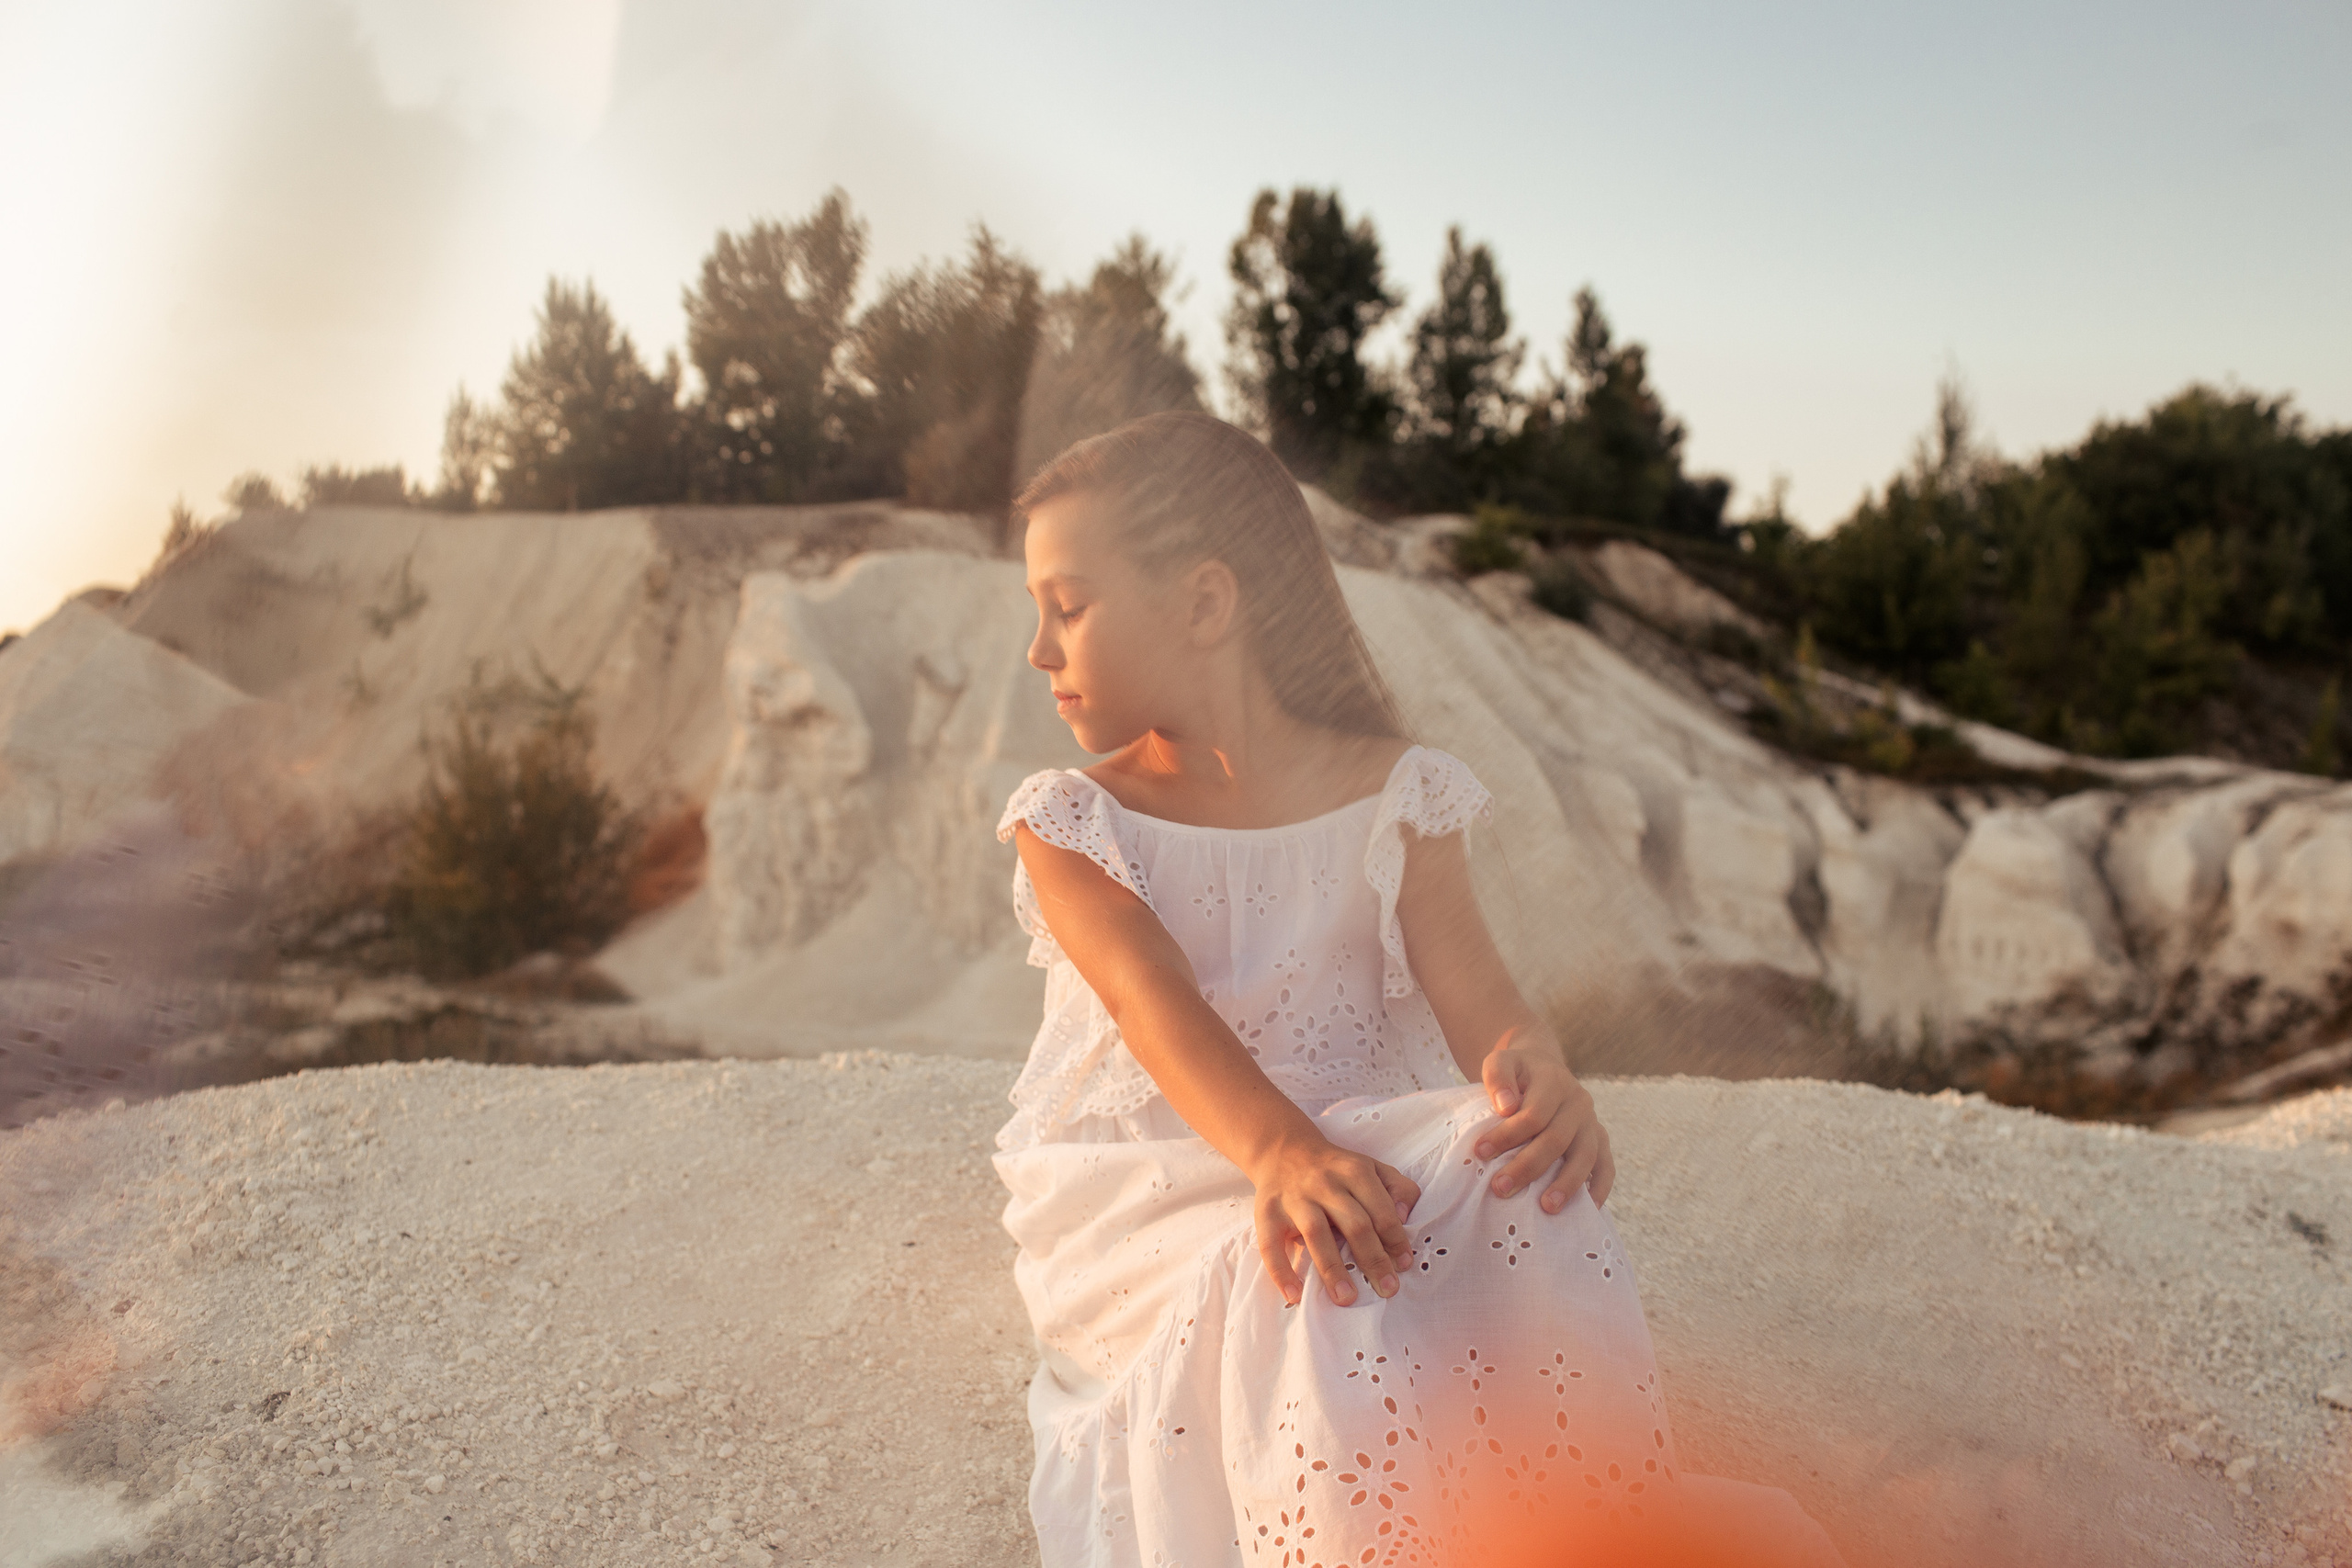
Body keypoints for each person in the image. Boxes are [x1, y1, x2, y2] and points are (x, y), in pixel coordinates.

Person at [992, 412, 1843, 1568]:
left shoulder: (1396, 791)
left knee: (1508, 1165)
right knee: (1317, 1274)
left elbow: (1480, 994)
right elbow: (1155, 1006)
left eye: (1069, 604)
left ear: (1203, 604)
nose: (1038, 648)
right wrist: (1279, 1152)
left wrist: (1537, 1073)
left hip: (1361, 1138)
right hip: (1174, 1162)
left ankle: (1593, 1520)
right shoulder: (1077, 818)